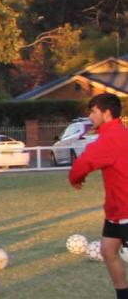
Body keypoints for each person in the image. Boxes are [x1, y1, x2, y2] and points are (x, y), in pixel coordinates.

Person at [69, 94, 128, 299]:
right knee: (108, 250)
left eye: (93, 111)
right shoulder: (117, 134)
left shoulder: (112, 138)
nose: (90, 115)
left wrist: (76, 178)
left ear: (107, 113)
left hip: (126, 209)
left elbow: (81, 164)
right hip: (115, 209)